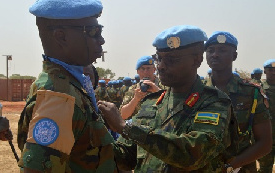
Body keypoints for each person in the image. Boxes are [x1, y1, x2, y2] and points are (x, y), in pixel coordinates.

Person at [98, 25, 239, 172]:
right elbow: (125, 157)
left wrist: (125, 127)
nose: (161, 66)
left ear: (197, 60)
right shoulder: (151, 103)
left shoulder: (214, 102)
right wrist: (94, 131)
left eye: (172, 59)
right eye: (159, 58)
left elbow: (192, 154)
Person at [17, 0, 118, 172]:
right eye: (93, 31)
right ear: (61, 37)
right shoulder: (58, 96)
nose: (101, 40)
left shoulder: (71, 84)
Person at [205, 31, 272, 172]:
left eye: (222, 50)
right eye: (210, 50)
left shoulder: (251, 93)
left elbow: (265, 143)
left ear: (234, 56)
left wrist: (231, 166)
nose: (215, 54)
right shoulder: (197, 92)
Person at [120, 55, 162, 120]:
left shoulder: (164, 85)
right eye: (142, 69)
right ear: (137, 71)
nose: (145, 72)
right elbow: (123, 115)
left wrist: (159, 93)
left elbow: (173, 108)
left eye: (148, 68)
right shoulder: (133, 89)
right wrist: (135, 99)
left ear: (154, 70)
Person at [257, 59, 275, 173]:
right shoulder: (258, 89)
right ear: (265, 71)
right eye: (270, 70)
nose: (274, 72)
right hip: (266, 137)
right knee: (265, 169)